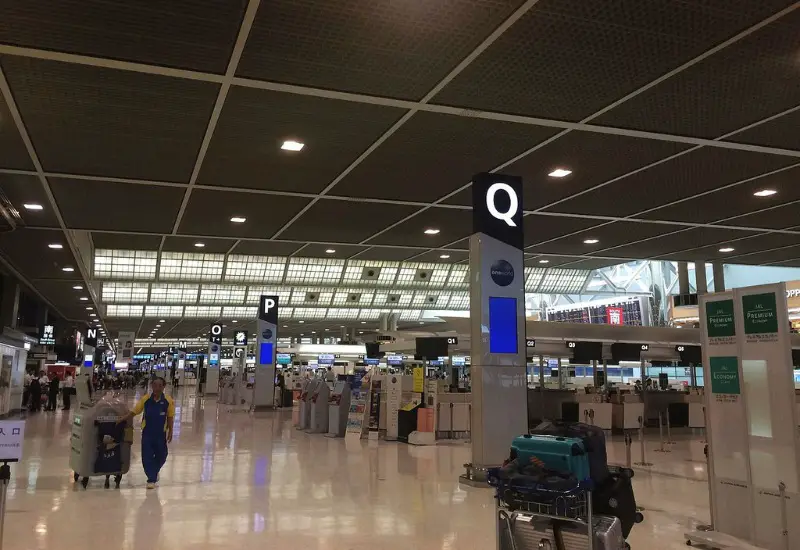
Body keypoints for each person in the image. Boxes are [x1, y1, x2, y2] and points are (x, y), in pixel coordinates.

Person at [118, 377, 175, 489]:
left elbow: (170, 417)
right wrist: (122, 419)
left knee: (162, 455)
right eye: (154, 385)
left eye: (160, 386)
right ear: (151, 386)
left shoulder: (168, 401)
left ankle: (154, 471)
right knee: (147, 456)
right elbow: (134, 411)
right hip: (147, 433)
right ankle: (151, 479)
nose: (157, 388)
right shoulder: (146, 399)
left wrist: (171, 431)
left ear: (164, 387)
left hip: (160, 434)